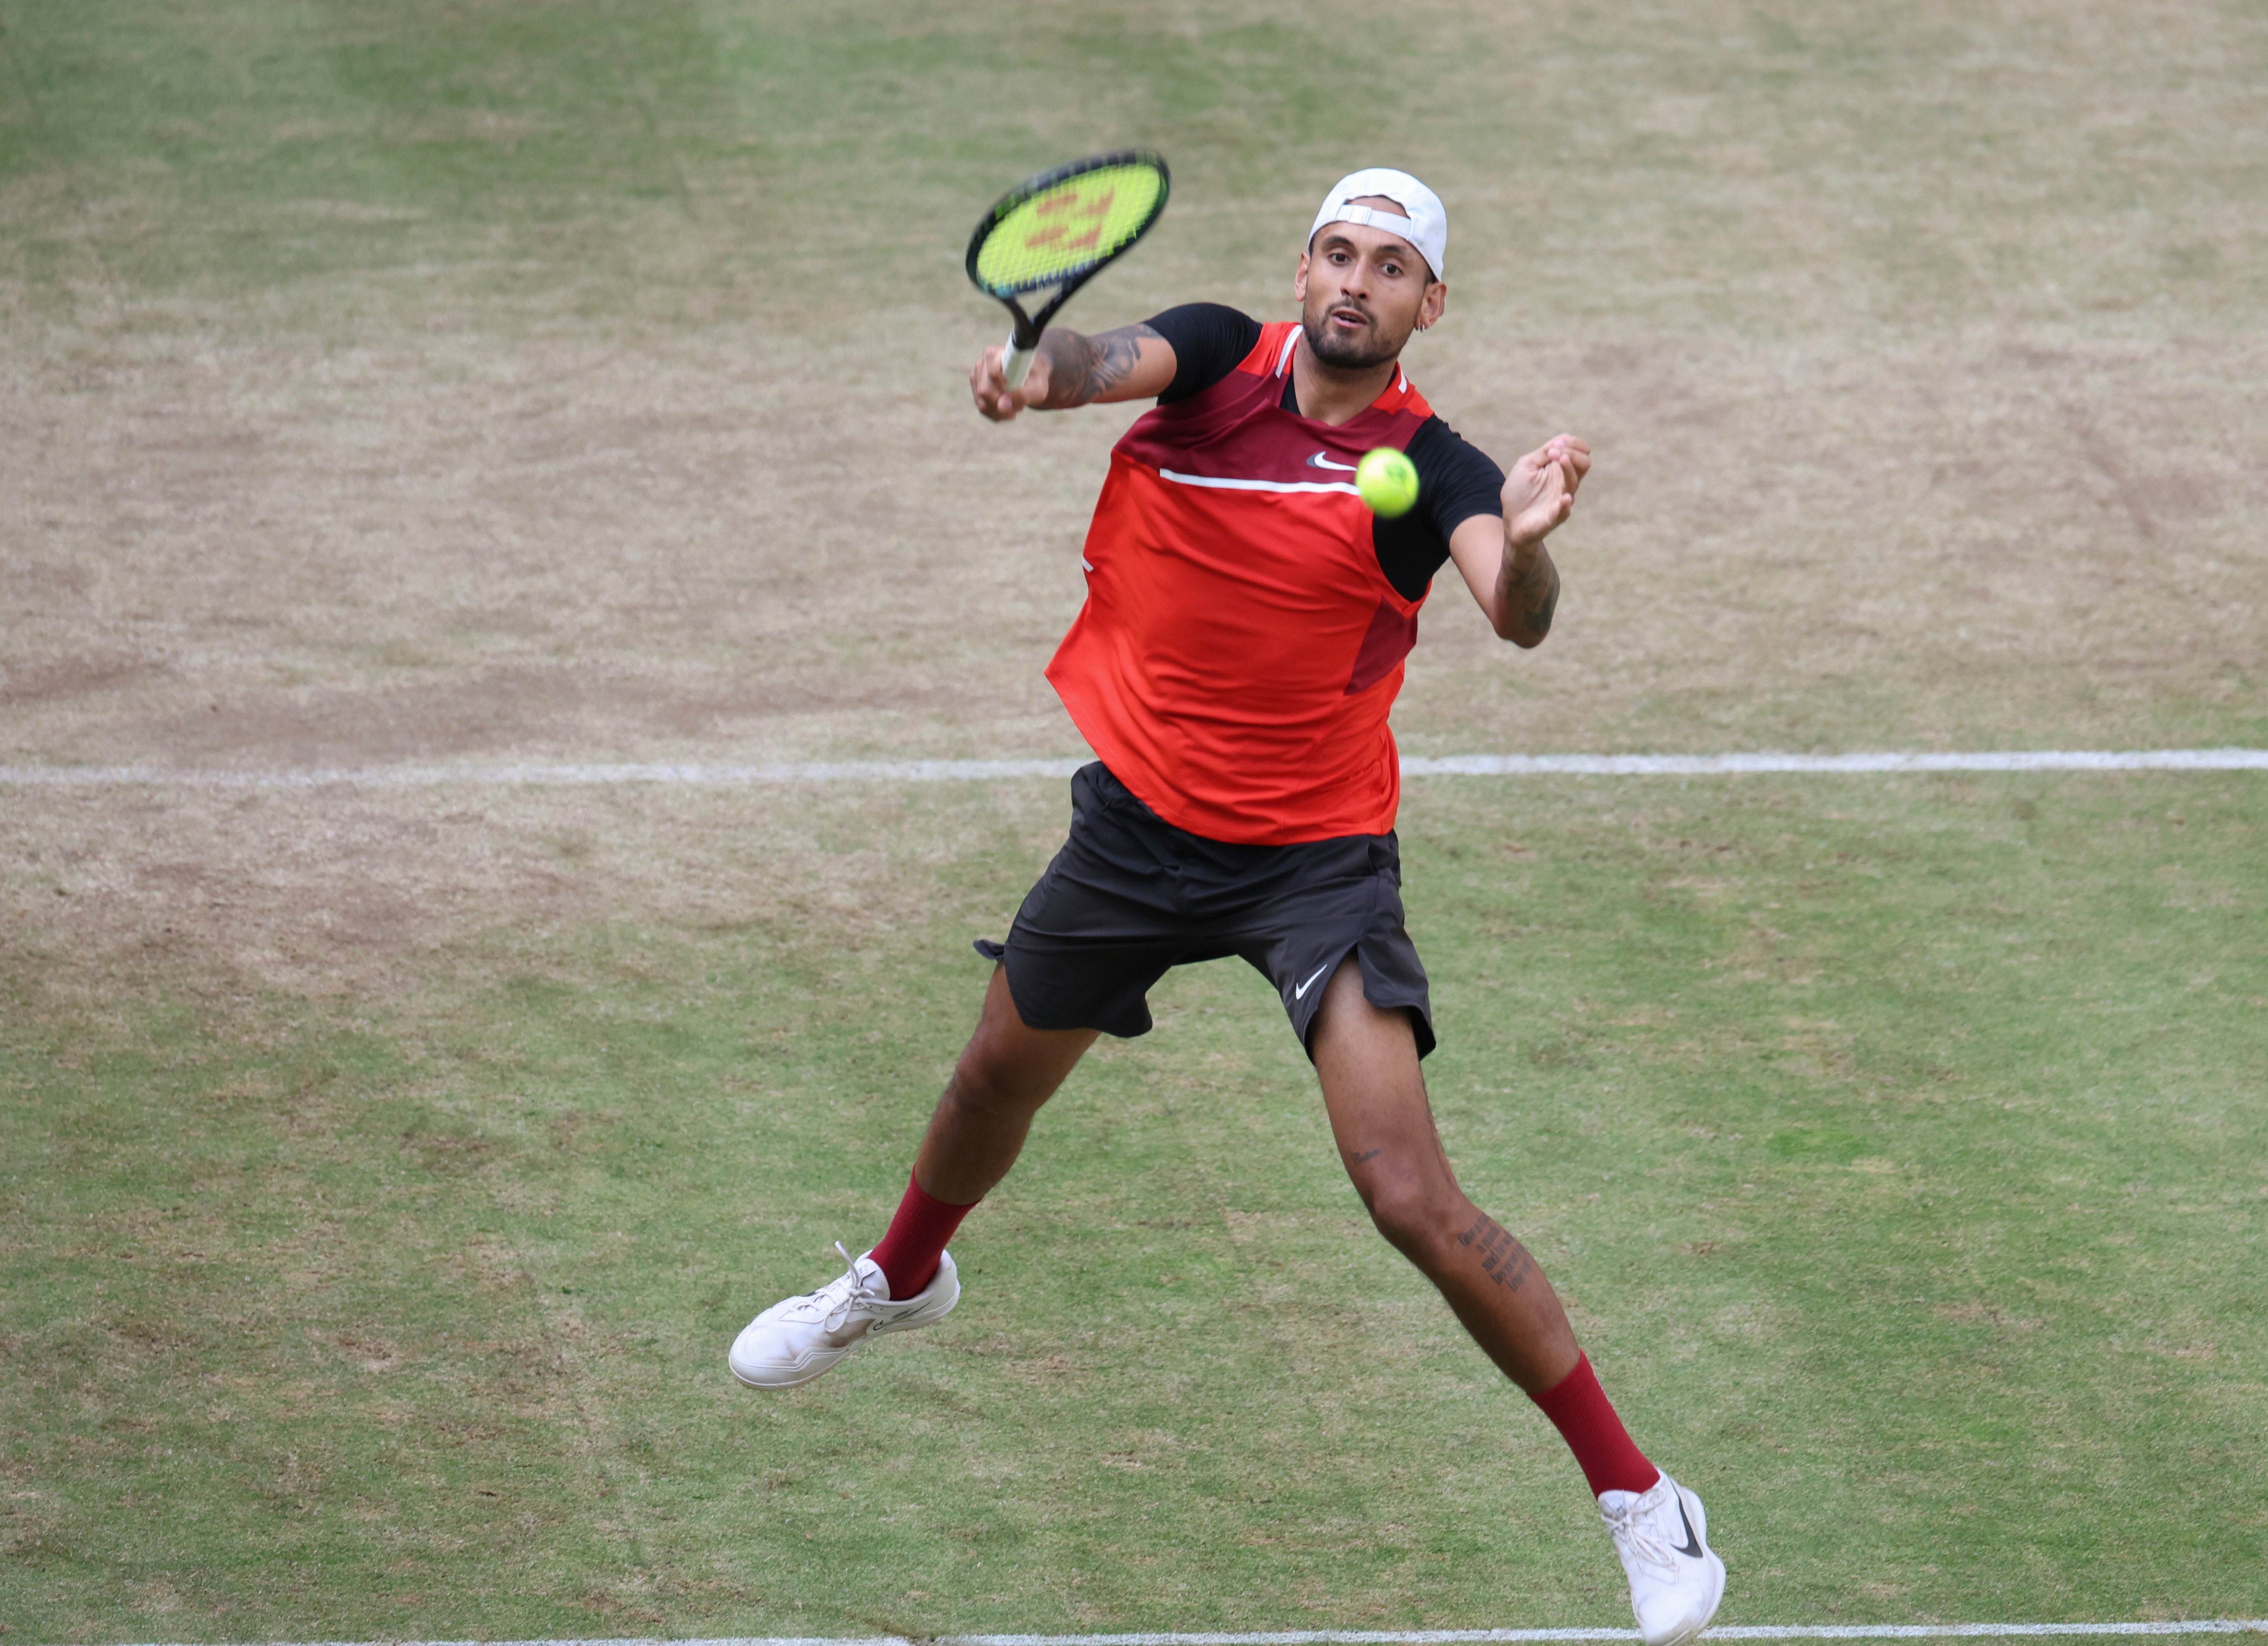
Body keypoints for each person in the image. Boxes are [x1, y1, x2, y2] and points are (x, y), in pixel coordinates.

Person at [729, 169, 1726, 1646]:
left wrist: (1529, 538)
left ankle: (1641, 1499)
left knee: (1407, 1197)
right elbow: (1099, 362)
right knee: (990, 1079)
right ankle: (898, 1277)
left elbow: (1511, 617)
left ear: (1424, 308)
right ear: (1302, 268)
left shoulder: (1436, 467)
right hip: (1138, 826)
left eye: (1389, 267)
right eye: (1336, 253)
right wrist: (1032, 377)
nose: (1353, 282)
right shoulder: (1213, 358)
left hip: (1313, 863)